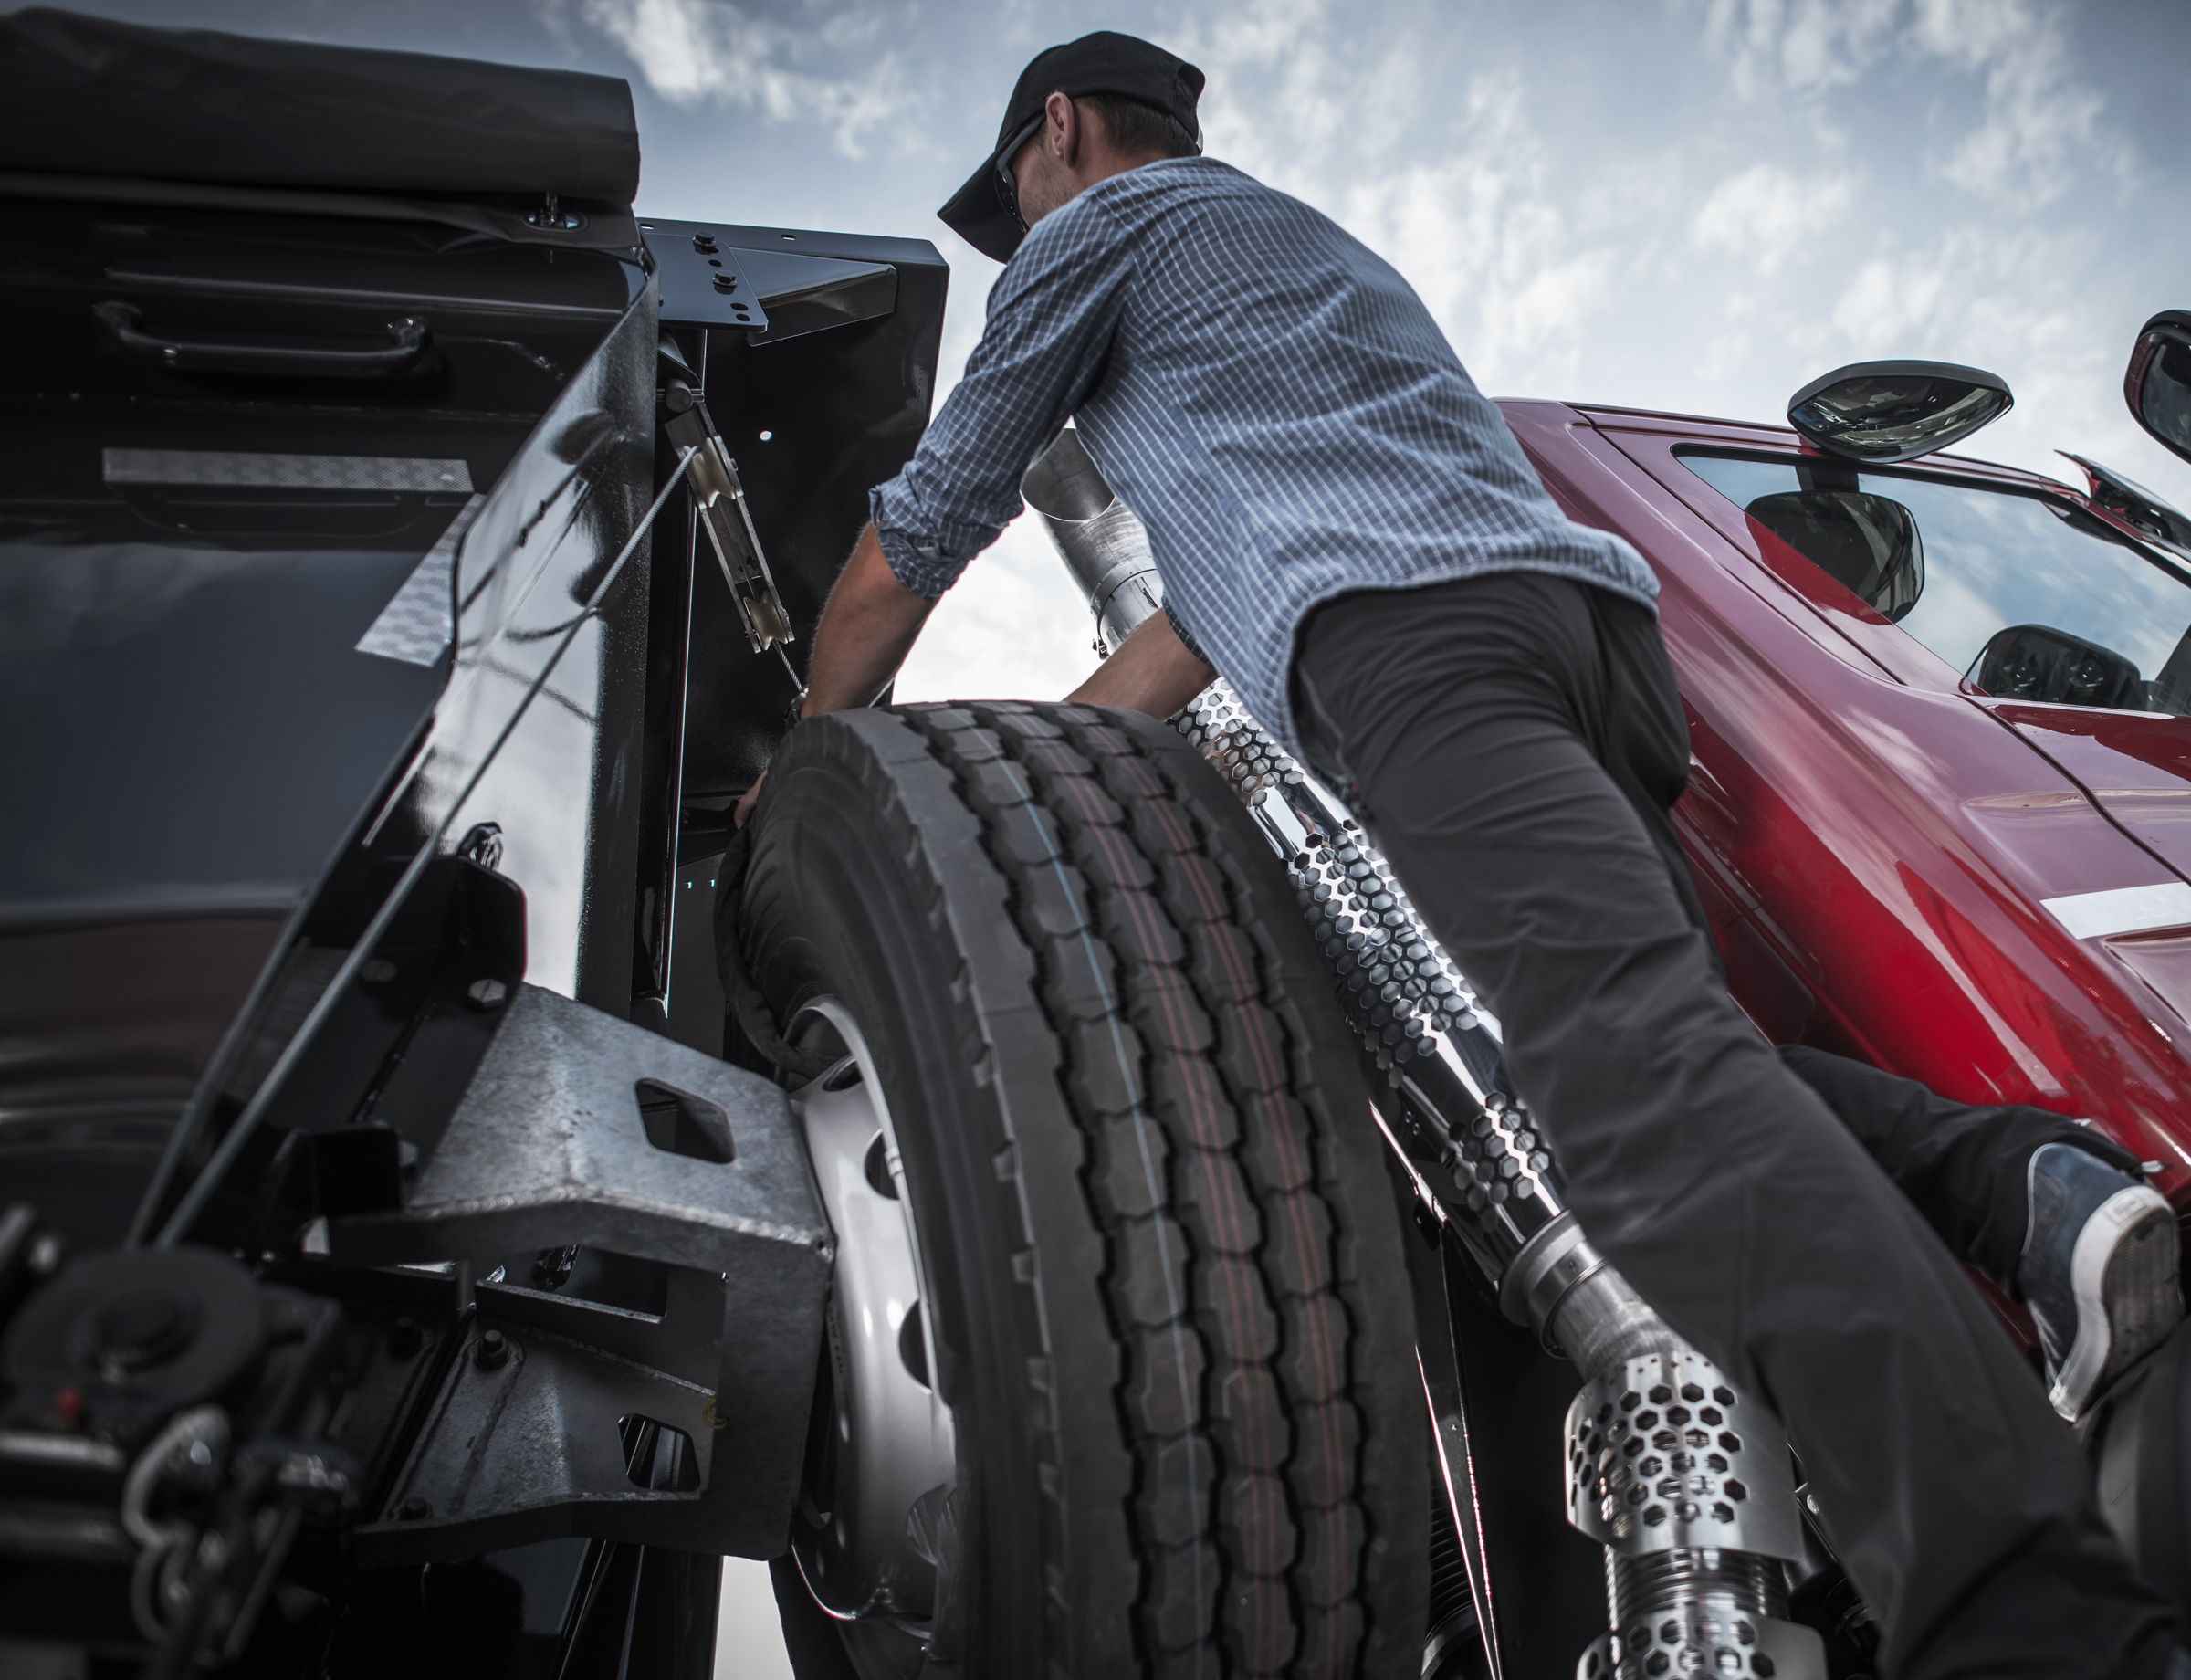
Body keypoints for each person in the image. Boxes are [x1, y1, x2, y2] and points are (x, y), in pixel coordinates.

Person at [733, 30, 2184, 1676]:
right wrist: (992, 802)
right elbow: (1158, 672)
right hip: (1582, 650)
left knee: (1639, 1119)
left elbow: (921, 532)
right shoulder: (1298, 270)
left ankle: (2030, 1617)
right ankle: (2024, 1190)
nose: (1021, 224)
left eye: (1017, 190)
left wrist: (812, 758)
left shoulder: (1100, 236)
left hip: (1419, 655)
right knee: (1659, 1072)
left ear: (1056, 132)